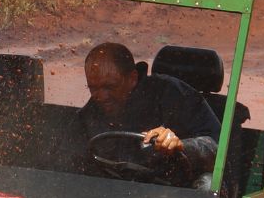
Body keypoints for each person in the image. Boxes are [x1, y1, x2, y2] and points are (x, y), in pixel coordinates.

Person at [74, 42, 219, 187]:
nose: (101, 96)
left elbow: (217, 149)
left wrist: (180, 145)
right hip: (114, 195)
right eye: (93, 88)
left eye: (110, 86)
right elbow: (70, 162)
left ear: (132, 78)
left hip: (176, 193)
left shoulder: (172, 95)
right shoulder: (87, 116)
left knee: (209, 183)